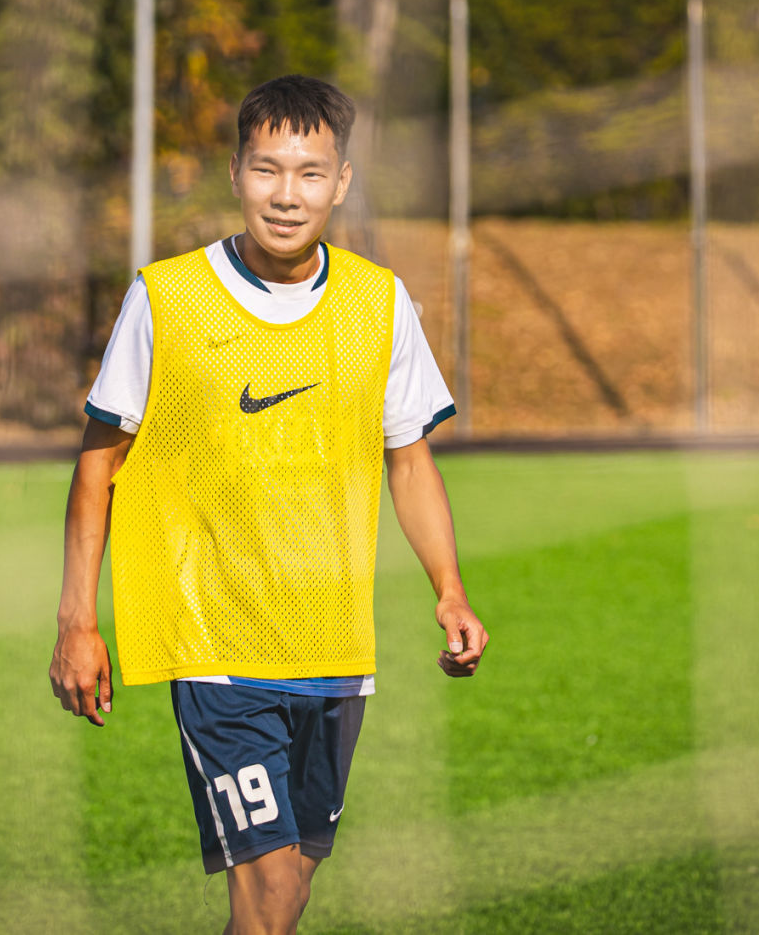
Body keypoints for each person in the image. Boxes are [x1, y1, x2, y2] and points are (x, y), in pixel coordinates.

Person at [49, 75, 488, 934]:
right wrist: (77, 620)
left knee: (286, 897)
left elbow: (409, 460)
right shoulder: (167, 297)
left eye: (310, 173)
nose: (288, 195)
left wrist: (450, 588)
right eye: (267, 169)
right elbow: (99, 464)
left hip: (334, 645)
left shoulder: (379, 303)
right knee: (271, 890)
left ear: (342, 181)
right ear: (235, 173)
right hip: (213, 644)